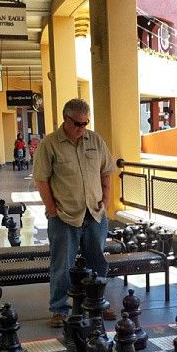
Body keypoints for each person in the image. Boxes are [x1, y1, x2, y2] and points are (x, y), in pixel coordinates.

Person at [33, 99, 118, 327]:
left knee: (98, 261)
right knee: (62, 263)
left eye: (85, 122)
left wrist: (106, 201)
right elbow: (42, 180)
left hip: (94, 214)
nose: (82, 127)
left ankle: (98, 302)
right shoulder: (49, 144)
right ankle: (59, 309)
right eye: (78, 123)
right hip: (64, 216)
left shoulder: (95, 140)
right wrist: (52, 211)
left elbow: (106, 172)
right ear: (65, 119)